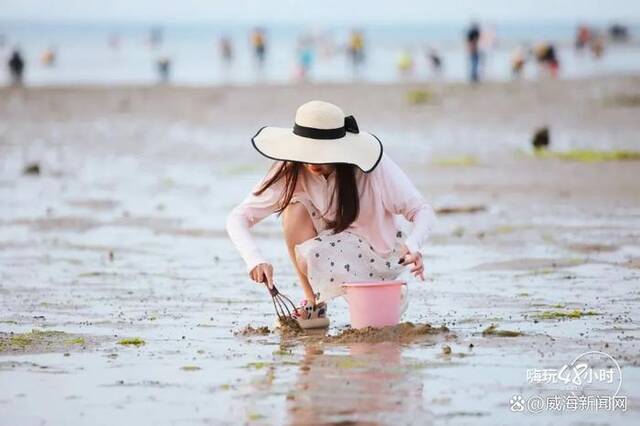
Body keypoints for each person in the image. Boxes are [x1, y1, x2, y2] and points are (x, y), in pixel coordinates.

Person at [226, 101, 436, 328]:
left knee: (374, 330)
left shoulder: (370, 166)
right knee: (294, 208)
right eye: (307, 152)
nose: (313, 162)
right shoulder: (291, 170)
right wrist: (255, 260)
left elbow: (422, 210)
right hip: (329, 249)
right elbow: (238, 217)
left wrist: (414, 244)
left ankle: (390, 294)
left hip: (380, 255)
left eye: (322, 153)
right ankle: (314, 304)